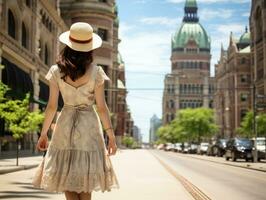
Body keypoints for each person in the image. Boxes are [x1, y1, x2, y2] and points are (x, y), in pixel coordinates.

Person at [32, 22, 119, 200]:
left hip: (65, 123)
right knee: (85, 182)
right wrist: (110, 136)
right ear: (89, 49)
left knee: (66, 178)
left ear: (68, 45)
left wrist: (43, 134)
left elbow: (51, 106)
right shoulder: (97, 72)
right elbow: (102, 108)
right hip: (89, 126)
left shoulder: (56, 71)